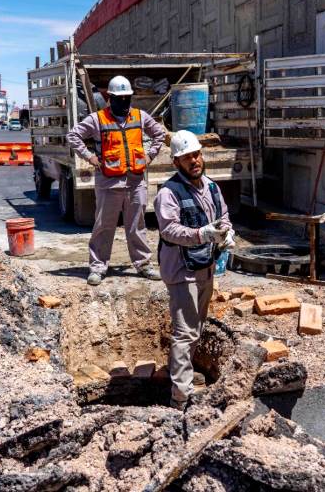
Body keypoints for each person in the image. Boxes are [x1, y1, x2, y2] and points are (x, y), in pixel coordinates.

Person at [154, 130, 236, 409]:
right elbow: (169, 229)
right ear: (176, 162)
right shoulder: (168, 193)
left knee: (196, 327)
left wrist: (226, 232)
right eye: (187, 157)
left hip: (204, 267)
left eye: (196, 154)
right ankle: (181, 398)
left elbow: (223, 216)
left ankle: (180, 375)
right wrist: (202, 234)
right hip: (181, 271)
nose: (194, 161)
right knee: (185, 332)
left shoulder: (211, 187)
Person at [66, 75, 167, 286]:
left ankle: (143, 264)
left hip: (135, 182)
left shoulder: (140, 116)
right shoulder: (97, 119)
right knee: (104, 226)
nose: (123, 101)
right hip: (108, 183)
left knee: (137, 226)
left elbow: (159, 134)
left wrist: (149, 156)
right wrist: (90, 157)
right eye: (119, 98)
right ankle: (97, 267)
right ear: (110, 98)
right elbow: (73, 136)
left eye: (126, 98)